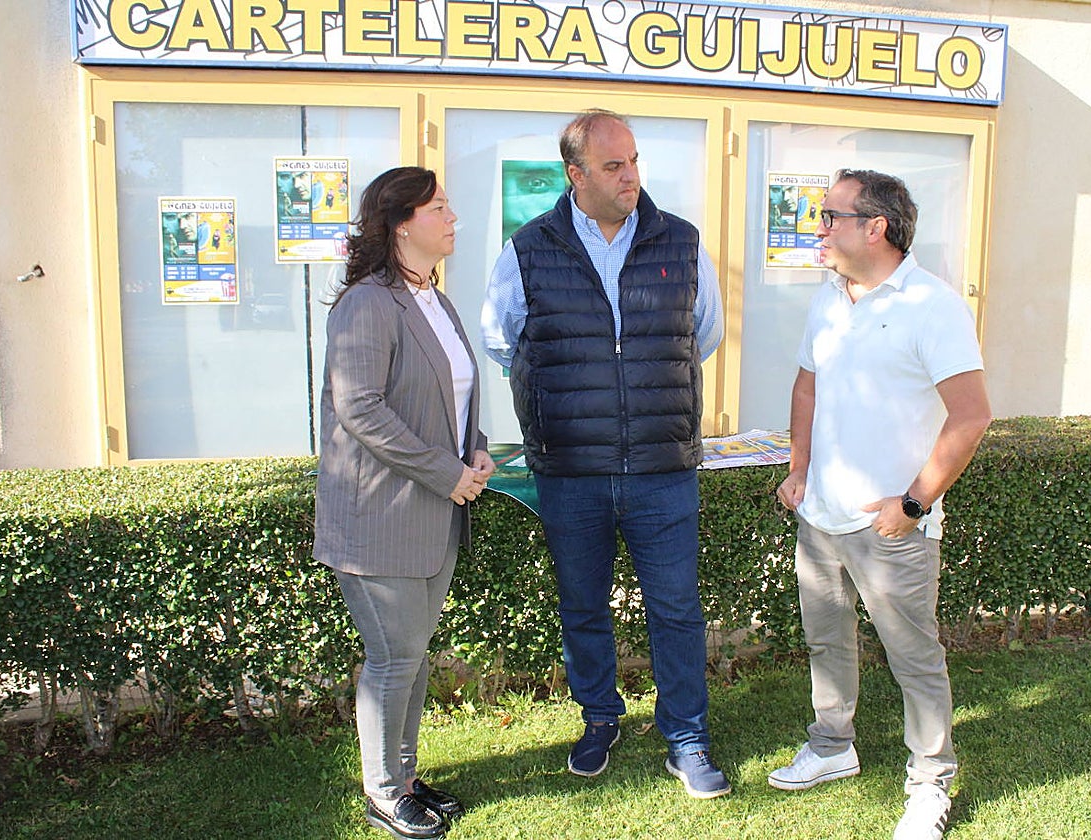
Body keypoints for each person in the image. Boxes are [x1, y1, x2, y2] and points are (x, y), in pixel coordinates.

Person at [481, 109, 728, 799]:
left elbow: (700, 334)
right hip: (572, 471)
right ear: (576, 174)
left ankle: (687, 736)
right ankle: (599, 718)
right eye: (614, 166)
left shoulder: (680, 241)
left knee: (676, 608)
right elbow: (502, 340)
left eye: (635, 161)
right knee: (583, 605)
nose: (631, 177)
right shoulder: (527, 249)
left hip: (662, 468)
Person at [770, 169, 992, 840]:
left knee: (913, 657)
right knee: (825, 640)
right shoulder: (831, 297)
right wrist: (799, 468)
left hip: (890, 529)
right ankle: (833, 746)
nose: (821, 228)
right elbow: (807, 385)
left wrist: (915, 504)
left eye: (832, 216)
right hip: (821, 518)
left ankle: (930, 785)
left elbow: (972, 415)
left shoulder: (934, 305)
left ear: (877, 228)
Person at [315, 166, 495, 840]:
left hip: (434, 509)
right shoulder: (368, 302)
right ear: (401, 223)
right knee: (394, 658)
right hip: (381, 515)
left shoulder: (435, 300)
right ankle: (383, 793)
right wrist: (446, 471)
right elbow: (358, 406)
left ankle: (407, 779)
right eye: (440, 208)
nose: (453, 219)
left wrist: (474, 448)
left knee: (412, 656)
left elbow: (452, 398)